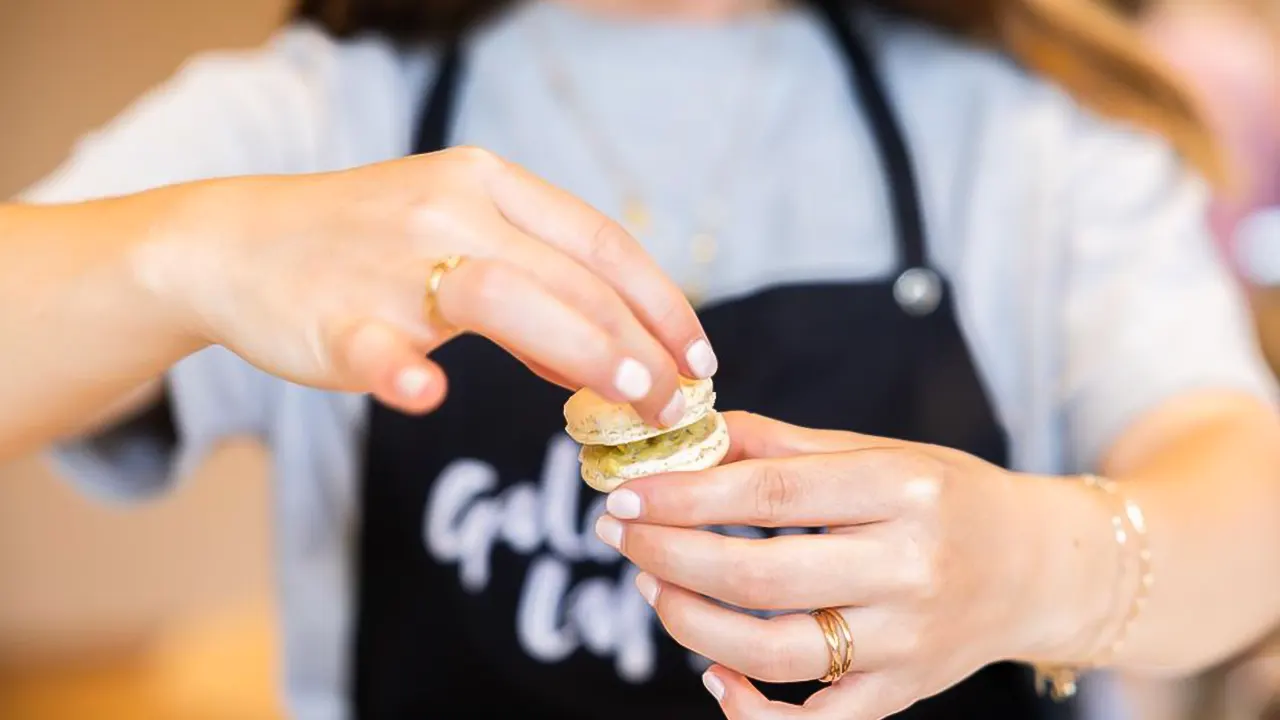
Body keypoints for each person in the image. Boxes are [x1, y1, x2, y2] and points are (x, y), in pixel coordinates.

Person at [6, 0, 1280, 719]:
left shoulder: (1025, 135)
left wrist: (1033, 562)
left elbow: (1250, 506)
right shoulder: (315, 116)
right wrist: (179, 251)